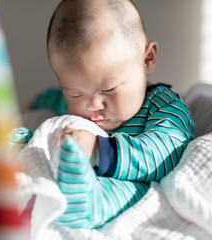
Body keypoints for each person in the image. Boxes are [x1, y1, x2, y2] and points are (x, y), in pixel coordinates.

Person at [33, 0, 194, 228]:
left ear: (147, 60)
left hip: (127, 183)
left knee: (134, 187)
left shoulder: (163, 108)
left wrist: (99, 150)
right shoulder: (73, 106)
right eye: (76, 94)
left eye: (108, 89)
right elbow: (53, 100)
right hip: (77, 170)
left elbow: (166, 153)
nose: (93, 105)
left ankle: (88, 205)